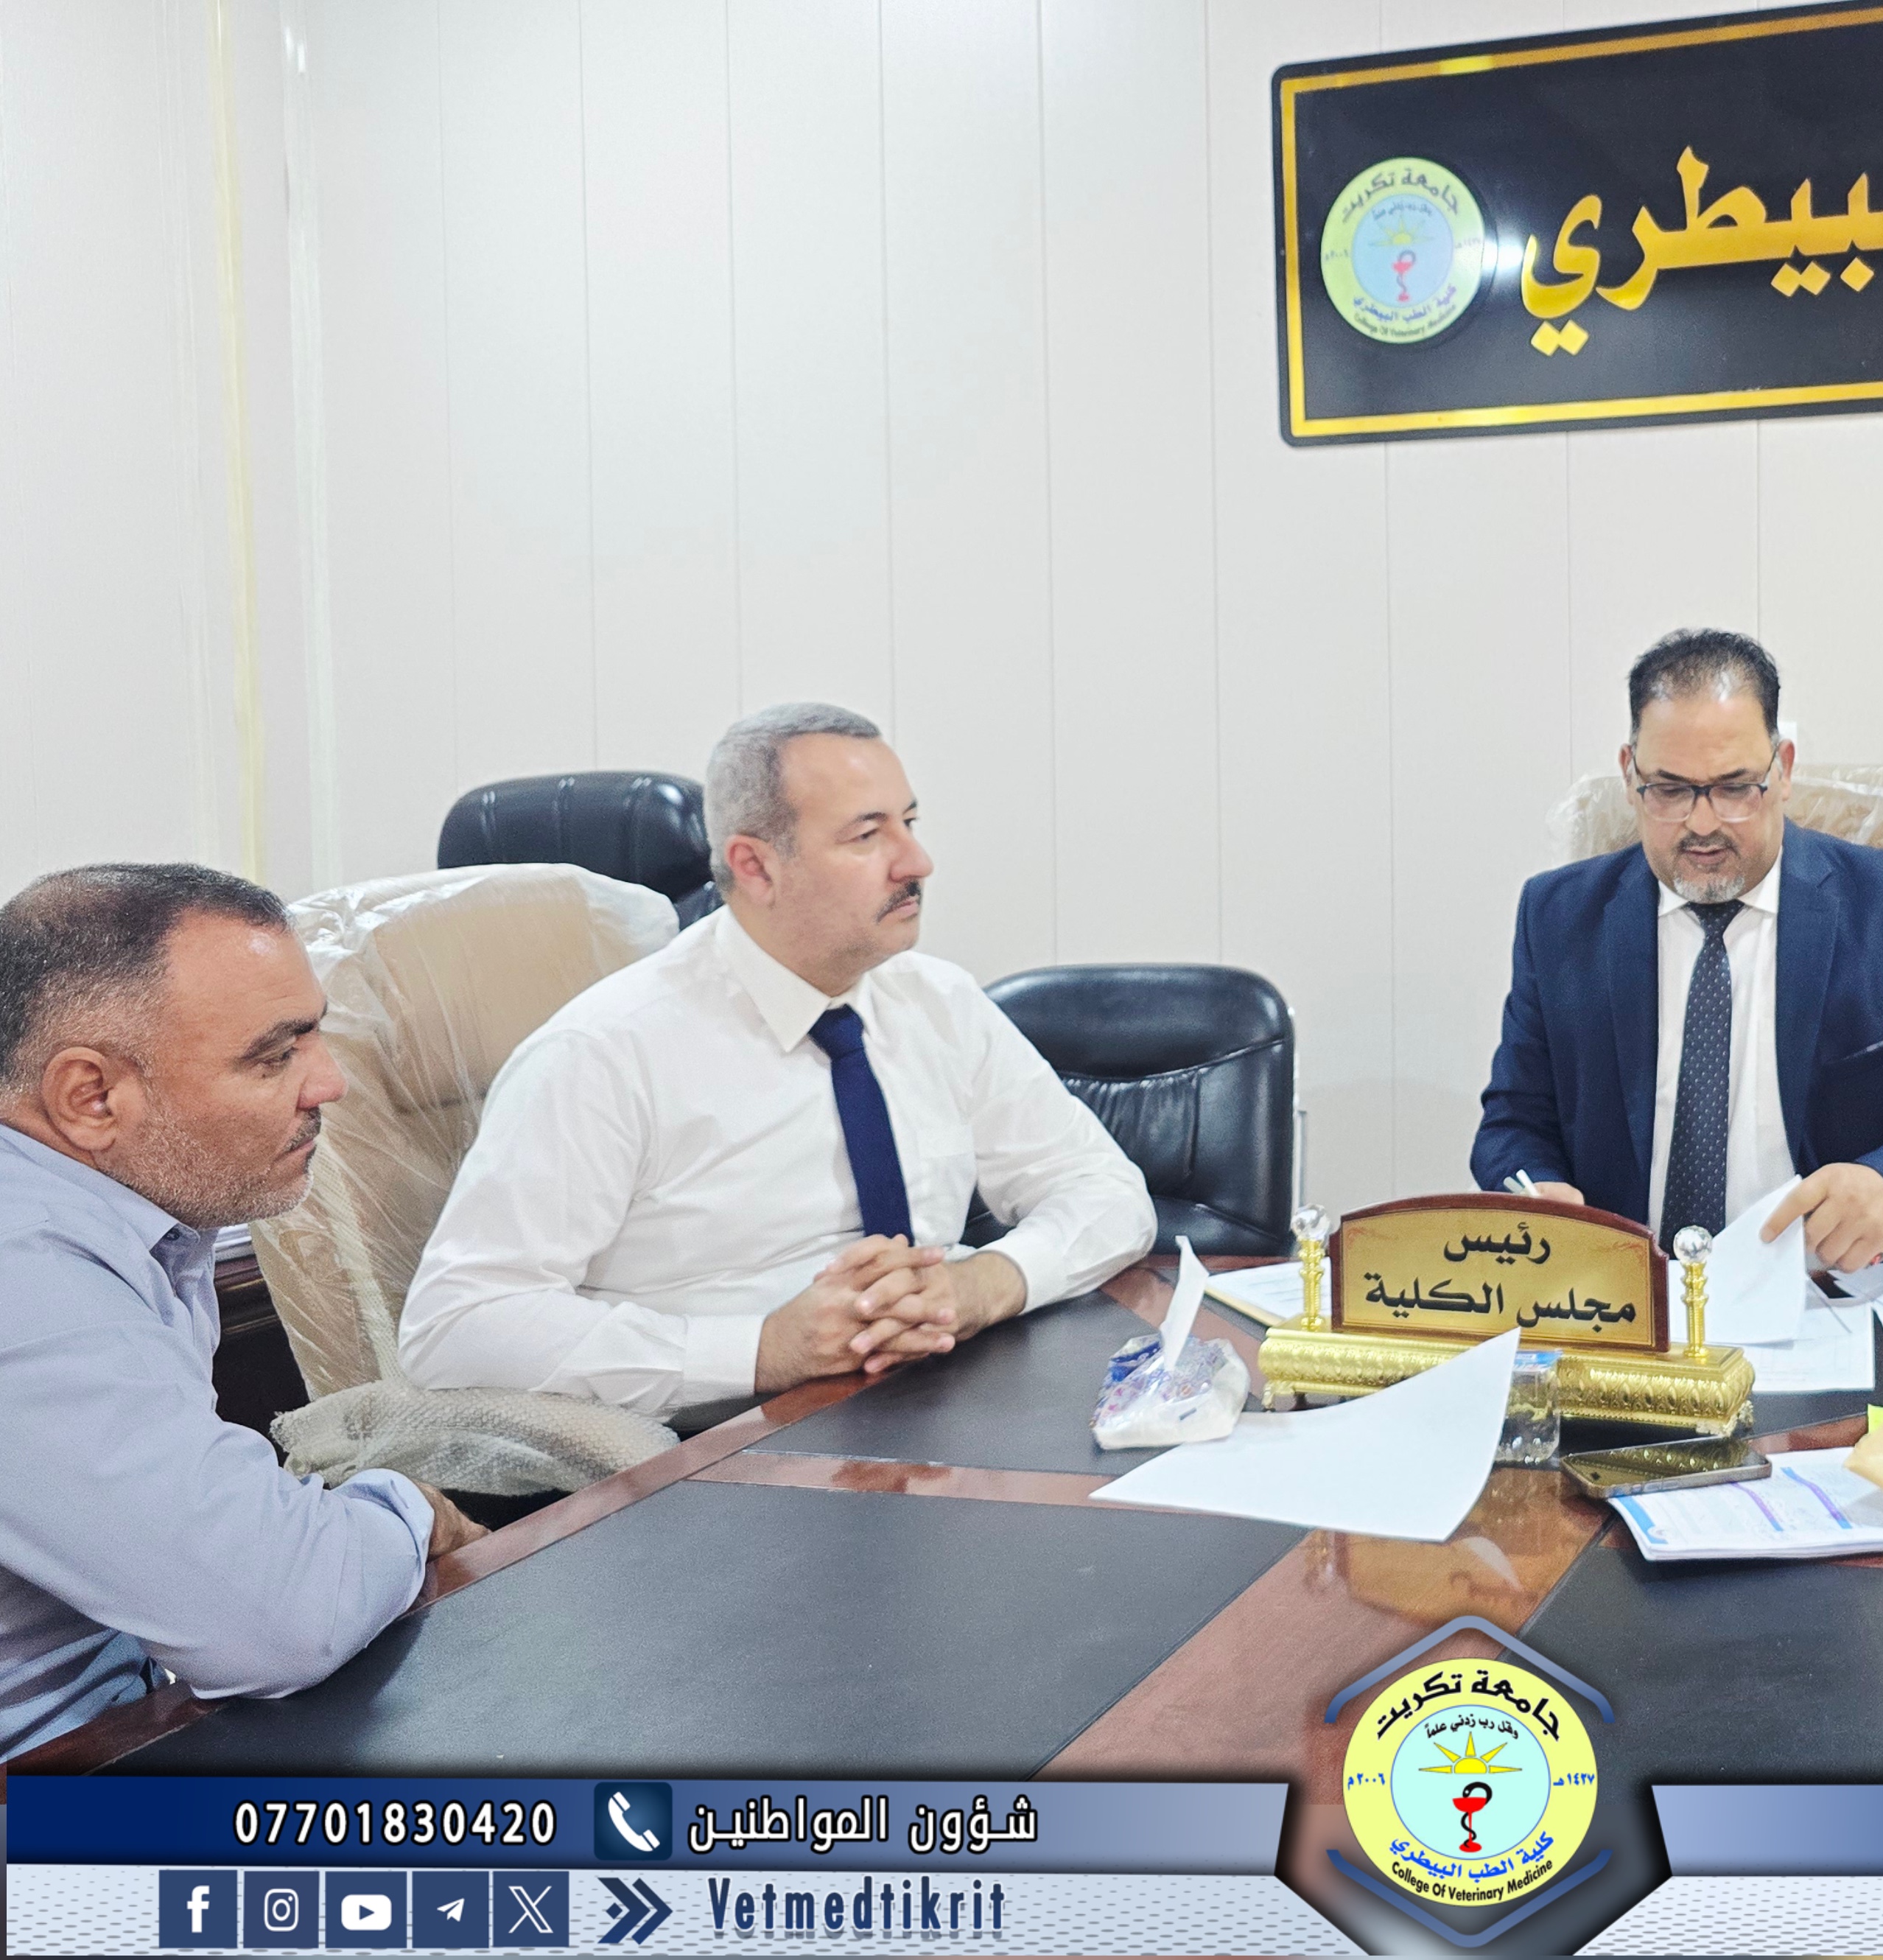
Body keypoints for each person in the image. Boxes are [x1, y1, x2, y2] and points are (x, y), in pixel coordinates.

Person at [400, 703, 1155, 1420]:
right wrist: (760, 1349)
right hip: (721, 1444)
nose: (917, 861)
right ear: (756, 867)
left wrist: (984, 1283)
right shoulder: (606, 1052)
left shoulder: (937, 1002)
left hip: (946, 1393)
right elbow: (456, 1325)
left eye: (910, 822)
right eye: (868, 835)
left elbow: (1107, 1191)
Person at [0, 865, 482, 1760]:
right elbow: (280, 1617)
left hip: (129, 1725)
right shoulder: (22, 1273)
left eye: (315, 1033)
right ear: (92, 1096)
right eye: (274, 1055)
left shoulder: (131, 1215)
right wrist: (409, 1509)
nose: (329, 1082)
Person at [1472, 629, 1883, 1269]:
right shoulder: (1558, 917)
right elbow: (1514, 1123)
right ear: (1629, 773)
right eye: (1669, 789)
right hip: (1636, 1300)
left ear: (1783, 771)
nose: (1701, 823)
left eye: (1734, 788)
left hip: (1834, 1294)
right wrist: (1536, 1189)